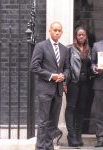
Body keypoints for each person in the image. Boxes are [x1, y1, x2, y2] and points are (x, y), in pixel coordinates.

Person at [30, 22, 70, 150]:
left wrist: (64, 76)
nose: (57, 32)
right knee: (43, 121)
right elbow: (34, 67)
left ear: (62, 32)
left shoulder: (65, 49)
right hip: (45, 90)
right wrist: (51, 75)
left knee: (53, 121)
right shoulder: (41, 46)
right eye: (55, 30)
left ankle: (49, 146)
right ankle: (40, 147)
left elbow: (67, 68)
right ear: (50, 31)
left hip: (58, 91)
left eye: (59, 30)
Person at [63, 27, 91, 147]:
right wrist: (64, 83)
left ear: (86, 37)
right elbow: (66, 66)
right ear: (75, 36)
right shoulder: (69, 49)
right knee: (71, 107)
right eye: (79, 35)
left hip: (85, 83)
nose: (81, 37)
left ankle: (78, 135)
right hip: (73, 82)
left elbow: (91, 66)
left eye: (83, 35)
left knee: (81, 109)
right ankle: (71, 135)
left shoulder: (89, 49)